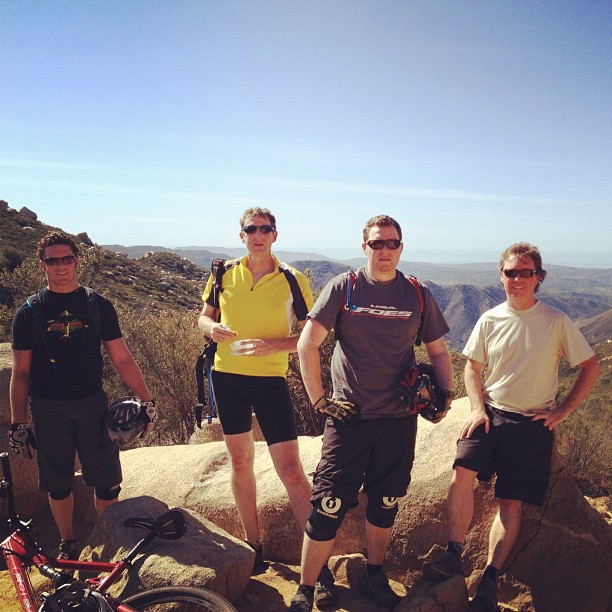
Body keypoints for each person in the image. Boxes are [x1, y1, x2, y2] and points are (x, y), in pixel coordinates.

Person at [423, 242, 601, 611]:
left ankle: (489, 579)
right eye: (510, 272)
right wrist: (475, 408)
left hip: (531, 422)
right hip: (492, 414)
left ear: (538, 278)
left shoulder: (555, 321)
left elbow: (591, 366)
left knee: (511, 502)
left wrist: (564, 409)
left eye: (525, 272)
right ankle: (454, 553)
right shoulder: (490, 319)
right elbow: (472, 367)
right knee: (462, 472)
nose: (517, 279)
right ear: (500, 276)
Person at [290, 214, 454, 611]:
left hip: (399, 419)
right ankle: (307, 588)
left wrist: (445, 395)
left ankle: (375, 575)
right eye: (377, 243)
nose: (384, 251)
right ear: (363, 247)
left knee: (385, 503)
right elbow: (306, 345)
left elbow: (437, 351)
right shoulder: (344, 287)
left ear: (401, 247)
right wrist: (319, 400)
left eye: (391, 244)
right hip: (350, 419)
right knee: (328, 504)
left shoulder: (417, 293)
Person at [198, 207, 337, 592]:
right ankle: (253, 546)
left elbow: (313, 336)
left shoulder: (292, 279)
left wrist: (272, 346)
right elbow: (203, 317)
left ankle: (318, 567)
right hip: (226, 379)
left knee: (291, 472)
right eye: (251, 229)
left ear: (275, 235)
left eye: (265, 229)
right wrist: (213, 330)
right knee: (240, 461)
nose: (258, 234)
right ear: (241, 234)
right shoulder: (223, 272)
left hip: (270, 381)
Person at [10, 231, 155, 560]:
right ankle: (67, 542)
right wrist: (18, 422)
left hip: (93, 404)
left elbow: (122, 357)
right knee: (57, 483)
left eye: (67, 259)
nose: (60, 266)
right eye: (52, 260)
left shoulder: (97, 305)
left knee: (106, 482)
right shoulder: (29, 311)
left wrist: (147, 399)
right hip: (48, 407)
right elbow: (20, 372)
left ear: (77, 261)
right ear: (42, 264)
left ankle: (108, 540)